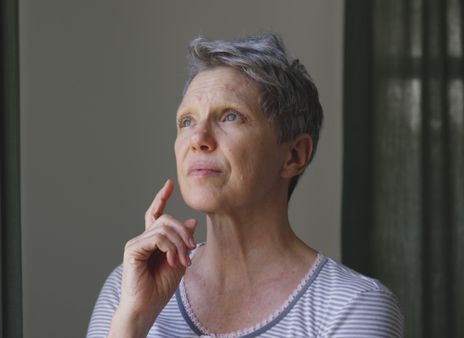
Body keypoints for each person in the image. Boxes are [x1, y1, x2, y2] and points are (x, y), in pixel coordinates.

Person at [86, 34, 403, 338]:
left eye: (230, 117)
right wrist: (134, 320)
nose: (198, 139)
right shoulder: (126, 289)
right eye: (187, 121)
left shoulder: (354, 306)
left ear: (294, 155)